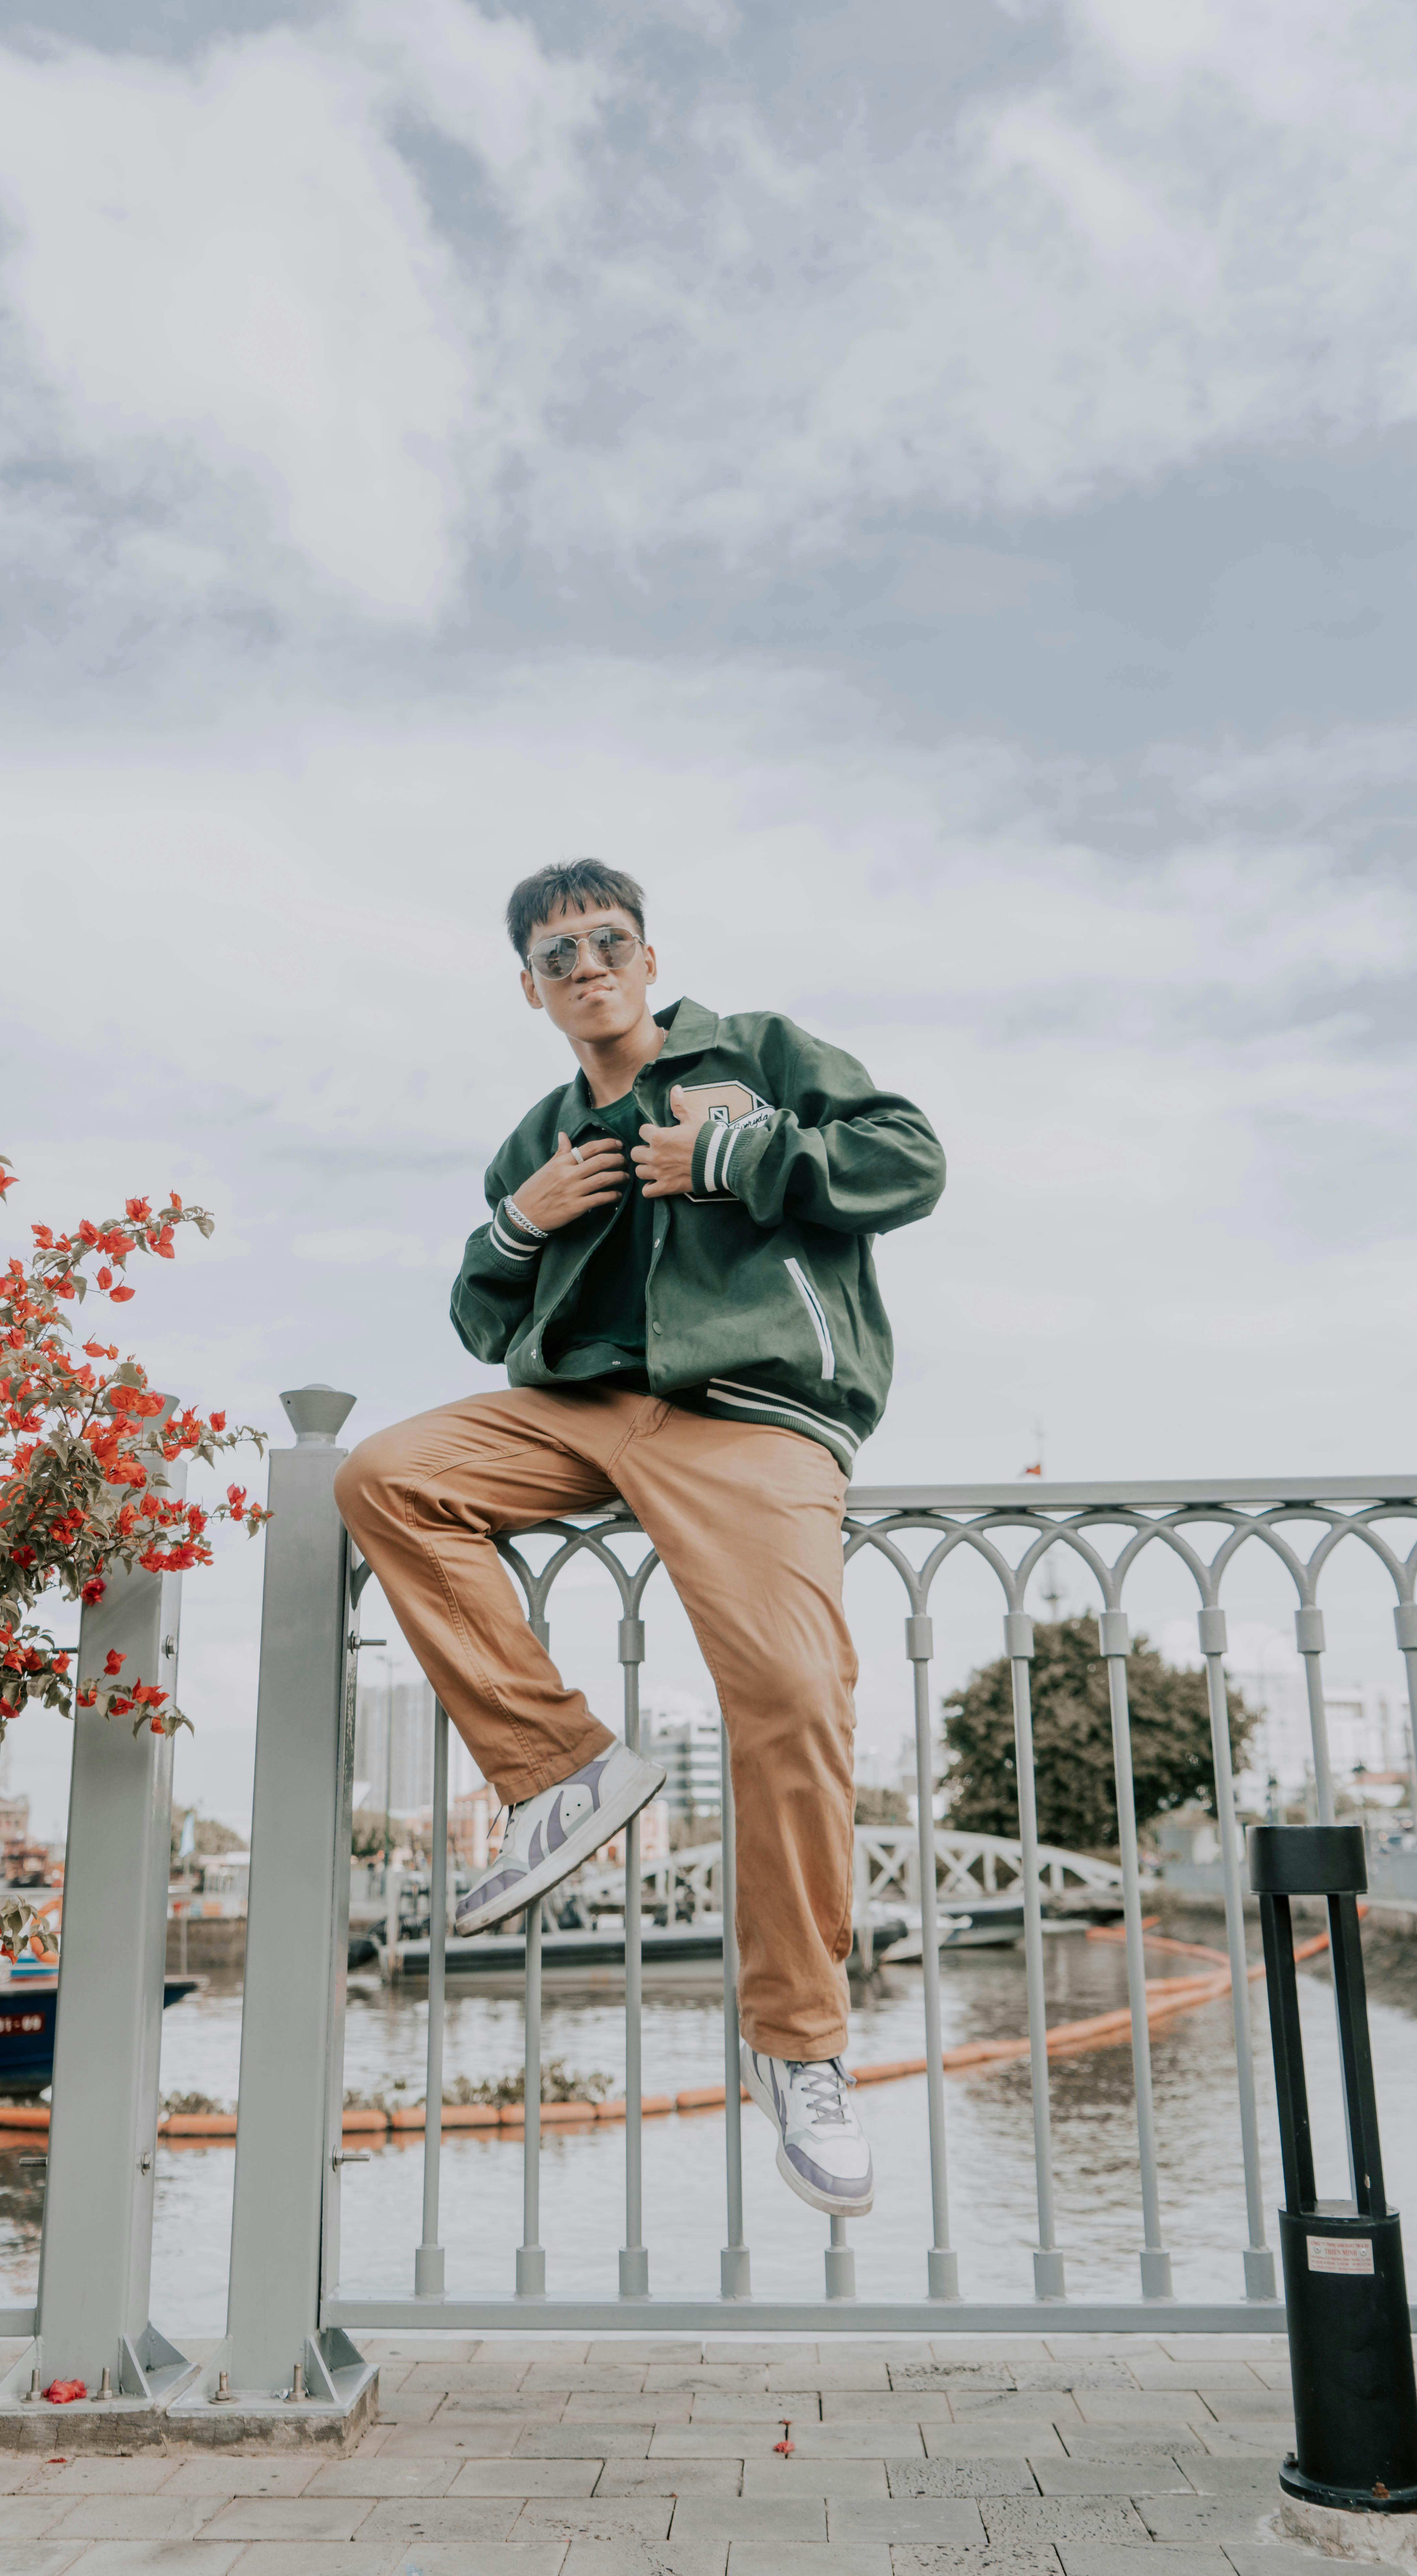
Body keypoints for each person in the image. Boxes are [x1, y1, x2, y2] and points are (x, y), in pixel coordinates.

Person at [335, 859, 945, 2217]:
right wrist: (518, 1220)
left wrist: (742, 1153)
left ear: (649, 956)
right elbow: (486, 1321)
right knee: (386, 1474)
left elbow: (912, 1162)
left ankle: (801, 2045)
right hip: (581, 1408)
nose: (588, 965)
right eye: (560, 956)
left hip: (752, 1413)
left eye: (608, 941)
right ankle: (562, 1770)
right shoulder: (538, 1137)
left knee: (792, 1692)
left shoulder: (764, 1055)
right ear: (533, 989)